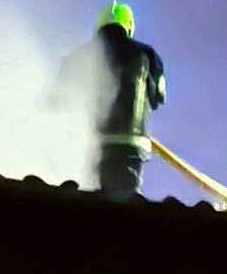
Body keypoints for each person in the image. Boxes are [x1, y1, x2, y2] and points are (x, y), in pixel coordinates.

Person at [55, 4, 167, 199]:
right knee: (121, 202)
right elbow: (158, 97)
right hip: (130, 146)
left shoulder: (77, 56)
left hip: (91, 144)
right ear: (129, 27)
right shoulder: (147, 55)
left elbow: (58, 102)